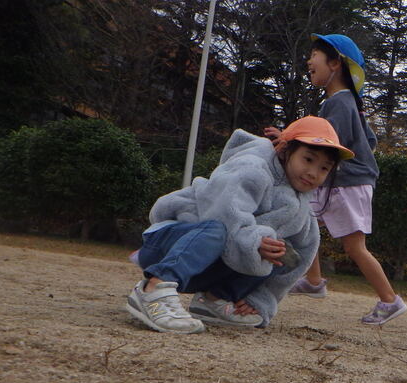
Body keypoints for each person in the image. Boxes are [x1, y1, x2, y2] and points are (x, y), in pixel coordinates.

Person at [126, 116, 353, 333]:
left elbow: (300, 260)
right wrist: (254, 242)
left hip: (204, 269)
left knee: (283, 251)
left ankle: (214, 300)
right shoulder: (252, 166)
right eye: (308, 159)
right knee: (218, 230)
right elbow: (222, 213)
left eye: (324, 168)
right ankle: (153, 289)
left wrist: (261, 299)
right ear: (286, 150)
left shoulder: (303, 212)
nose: (313, 173)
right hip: (170, 243)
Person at [265, 33, 406, 326]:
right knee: (303, 221)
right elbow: (369, 140)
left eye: (313, 55)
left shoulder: (339, 104)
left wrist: (287, 138)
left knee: (354, 246)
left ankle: (390, 300)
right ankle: (314, 280)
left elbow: (326, 144)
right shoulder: (346, 103)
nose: (308, 61)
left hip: (350, 182)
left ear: (334, 63)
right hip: (342, 180)